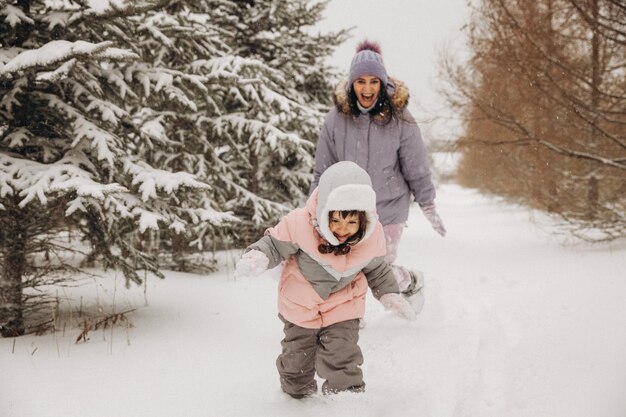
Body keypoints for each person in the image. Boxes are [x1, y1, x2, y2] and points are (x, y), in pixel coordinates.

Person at [234, 161, 415, 398]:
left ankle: (346, 399)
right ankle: (295, 398)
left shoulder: (371, 237)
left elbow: (378, 269)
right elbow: (274, 244)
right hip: (301, 305)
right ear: (324, 210)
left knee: (342, 354)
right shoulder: (300, 223)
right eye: (336, 220)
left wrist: (390, 294)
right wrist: (258, 256)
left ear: (364, 219)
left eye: (351, 223)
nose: (343, 229)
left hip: (344, 305)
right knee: (297, 358)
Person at [310, 40, 446, 313]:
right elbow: (323, 170)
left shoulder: (399, 118)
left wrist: (428, 204)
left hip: (390, 209)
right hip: (349, 212)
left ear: (383, 83)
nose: (368, 88)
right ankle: (351, 318)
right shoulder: (336, 120)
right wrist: (312, 209)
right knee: (347, 268)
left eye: (374, 81)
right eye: (361, 81)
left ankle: (410, 281)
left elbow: (416, 165)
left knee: (377, 270)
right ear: (352, 84)